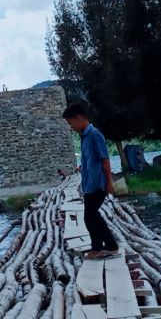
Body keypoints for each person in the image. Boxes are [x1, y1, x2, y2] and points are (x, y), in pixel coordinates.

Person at [61, 99, 120, 259]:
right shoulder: (84, 137)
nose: (71, 127)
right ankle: (101, 247)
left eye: (71, 122)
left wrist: (109, 182)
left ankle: (108, 246)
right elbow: (90, 160)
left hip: (98, 184)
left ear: (79, 118)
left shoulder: (94, 134)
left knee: (91, 215)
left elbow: (105, 160)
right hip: (89, 184)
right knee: (91, 216)